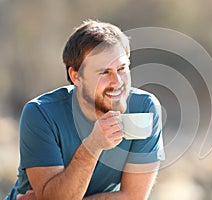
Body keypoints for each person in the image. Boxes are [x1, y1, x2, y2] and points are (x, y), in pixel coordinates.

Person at [5, 19, 165, 200]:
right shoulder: (40, 114)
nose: (118, 82)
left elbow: (133, 197)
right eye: (104, 72)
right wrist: (92, 146)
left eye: (121, 68)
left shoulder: (144, 108)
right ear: (76, 76)